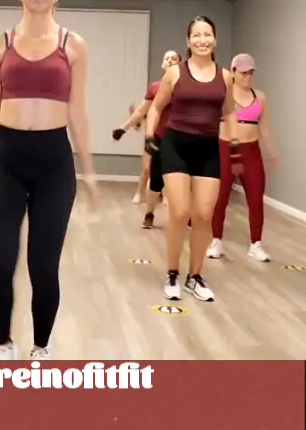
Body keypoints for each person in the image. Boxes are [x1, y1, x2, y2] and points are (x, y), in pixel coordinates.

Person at [0, 0, 97, 361]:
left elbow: (78, 110)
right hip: (6, 160)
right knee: (0, 263)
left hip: (53, 164)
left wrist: (89, 168)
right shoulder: (0, 43)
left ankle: (41, 347)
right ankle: (4, 344)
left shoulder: (73, 45)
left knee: (43, 267)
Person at [145, 16, 240, 303]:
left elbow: (230, 112)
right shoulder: (175, 73)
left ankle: (194, 277)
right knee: (179, 212)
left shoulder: (225, 76)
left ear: (215, 39)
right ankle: (172, 273)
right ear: (188, 41)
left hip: (208, 149)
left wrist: (234, 142)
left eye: (207, 34)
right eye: (196, 35)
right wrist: (149, 135)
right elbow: (156, 107)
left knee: (203, 215)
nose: (202, 40)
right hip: (176, 146)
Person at [207, 53, 279, 263]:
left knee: (256, 199)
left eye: (250, 72)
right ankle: (216, 241)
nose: (247, 76)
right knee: (220, 198)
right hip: (225, 150)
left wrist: (272, 152)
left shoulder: (260, 97)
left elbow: (264, 129)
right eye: (243, 72)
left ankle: (256, 244)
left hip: (251, 152)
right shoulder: (223, 95)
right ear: (233, 72)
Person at [112, 50, 182, 228]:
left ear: (180, 64)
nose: (170, 61)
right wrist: (123, 129)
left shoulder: (185, 88)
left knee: (181, 178)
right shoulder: (155, 87)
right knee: (155, 178)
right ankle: (150, 213)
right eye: (167, 58)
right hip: (159, 138)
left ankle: (184, 216)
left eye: (174, 58)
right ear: (163, 64)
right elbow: (141, 111)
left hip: (180, 139)